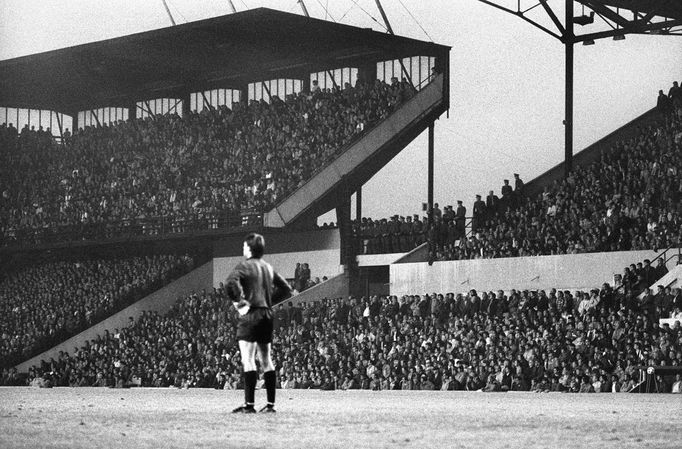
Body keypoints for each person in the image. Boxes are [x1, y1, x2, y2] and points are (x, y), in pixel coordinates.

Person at [226, 233, 292, 413]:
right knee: (266, 359)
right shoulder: (268, 268)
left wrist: (240, 303)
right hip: (267, 315)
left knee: (248, 360)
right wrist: (268, 302)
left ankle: (249, 405)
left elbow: (229, 284)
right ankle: (271, 405)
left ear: (248, 249)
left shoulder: (244, 266)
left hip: (251, 315)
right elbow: (287, 289)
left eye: (244, 247)